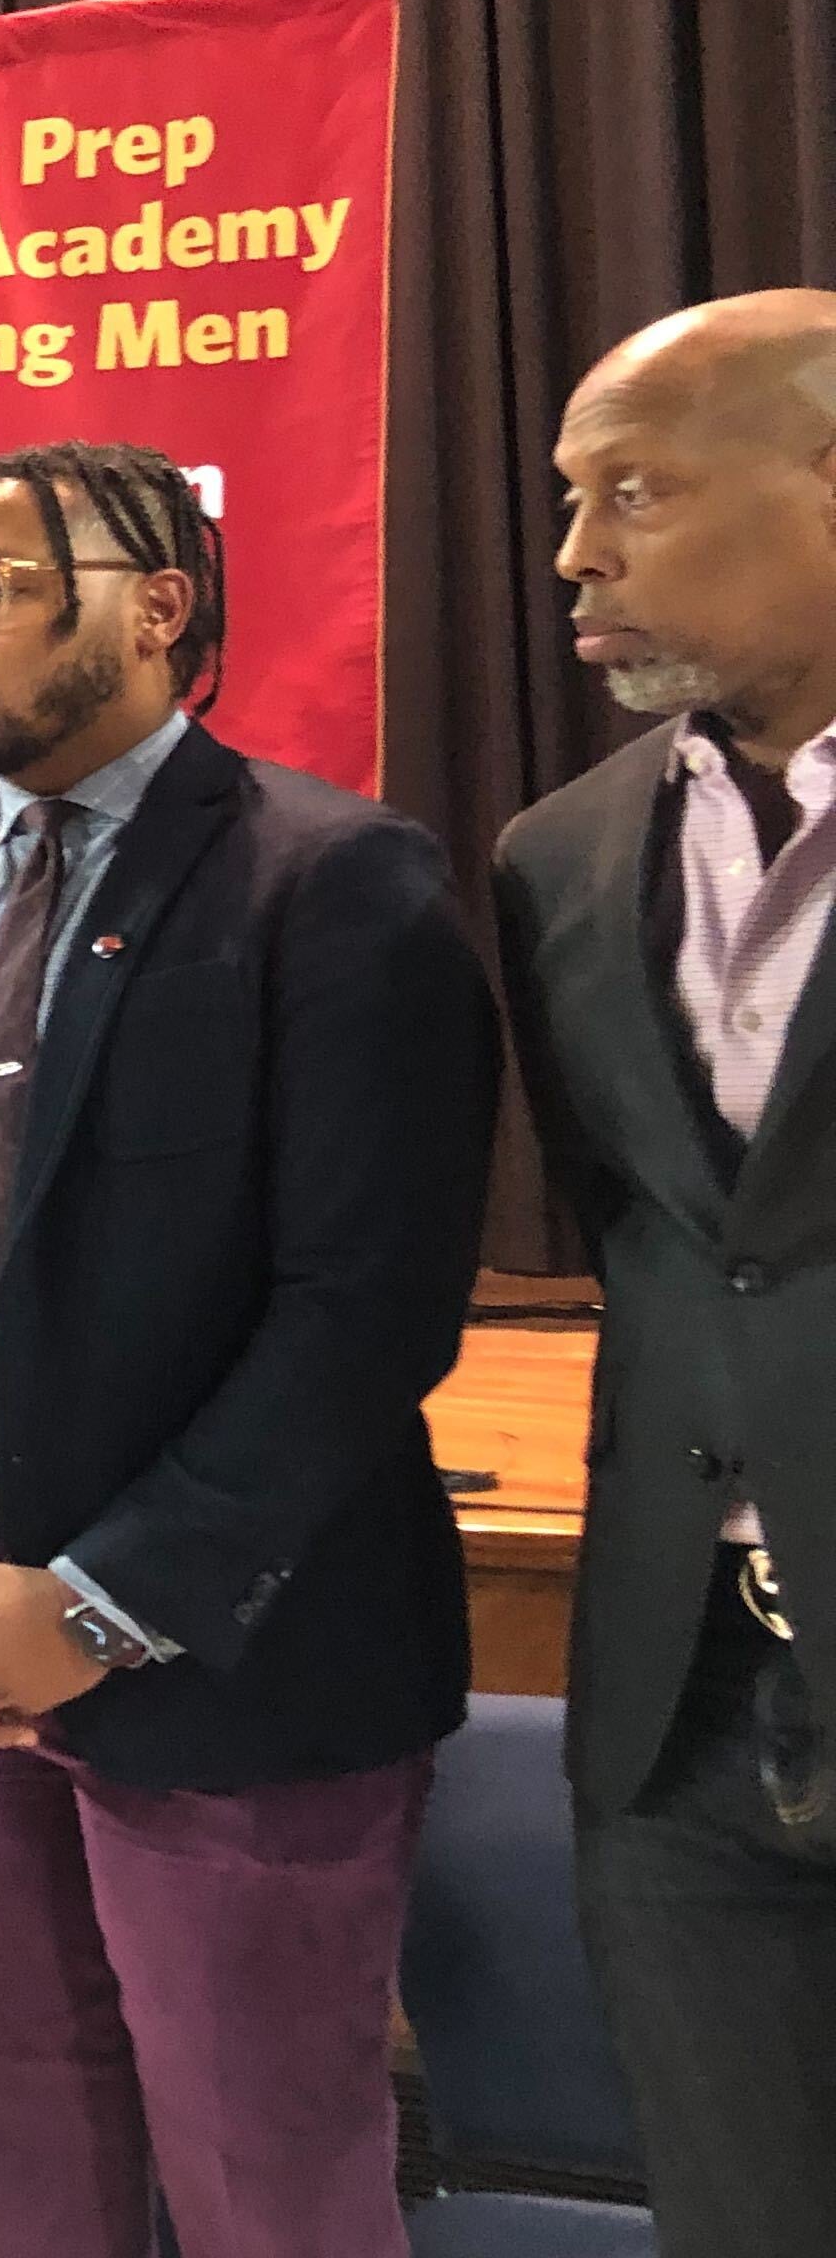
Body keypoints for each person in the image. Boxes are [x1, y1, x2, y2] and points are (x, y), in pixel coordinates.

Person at [0, 442, 499, 2258]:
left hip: (236, 1661)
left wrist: (91, 1604)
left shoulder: (334, 881)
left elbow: (365, 1310)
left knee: (268, 2175)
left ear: (159, 610)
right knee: (6, 2145)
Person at [495, 290, 836, 2257]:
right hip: (683, 1719)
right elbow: (665, 1252)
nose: (574, 554)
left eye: (635, 491)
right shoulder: (555, 856)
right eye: (562, 499)